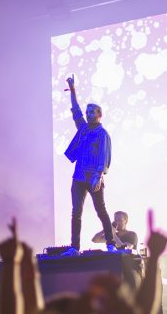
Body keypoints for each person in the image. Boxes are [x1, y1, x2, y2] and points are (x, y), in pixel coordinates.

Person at [62, 75, 115, 256]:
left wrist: (98, 176)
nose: (88, 114)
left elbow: (104, 157)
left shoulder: (102, 134)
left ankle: (110, 243)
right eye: (88, 112)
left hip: (93, 178)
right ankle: (74, 247)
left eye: (92, 112)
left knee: (101, 210)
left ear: (99, 115)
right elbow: (75, 111)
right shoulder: (83, 129)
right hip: (78, 177)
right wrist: (73, 90)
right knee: (76, 212)